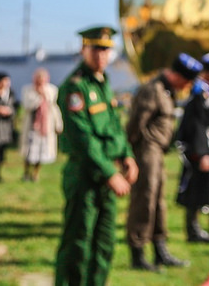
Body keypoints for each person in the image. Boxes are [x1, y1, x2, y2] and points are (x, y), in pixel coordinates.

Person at [54, 25, 137, 286]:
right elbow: (83, 139)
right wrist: (110, 172)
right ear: (83, 50)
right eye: (96, 50)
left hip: (106, 177)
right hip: (84, 176)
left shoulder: (104, 83)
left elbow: (114, 126)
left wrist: (127, 155)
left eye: (106, 50)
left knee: (104, 244)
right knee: (78, 243)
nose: (101, 56)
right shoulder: (75, 87)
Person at [125, 52, 202, 271]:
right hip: (146, 149)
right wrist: (130, 154)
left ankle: (160, 249)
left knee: (158, 200)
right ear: (178, 75)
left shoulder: (166, 91)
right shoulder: (153, 90)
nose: (186, 86)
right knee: (144, 199)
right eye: (186, 81)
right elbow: (135, 124)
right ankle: (138, 252)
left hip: (157, 151)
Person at [176, 51, 209, 243]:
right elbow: (195, 125)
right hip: (200, 148)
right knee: (194, 190)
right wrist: (202, 152)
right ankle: (192, 230)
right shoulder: (199, 92)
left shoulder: (207, 90)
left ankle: (196, 228)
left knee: (204, 188)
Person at [19, 68, 62, 182]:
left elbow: (54, 107)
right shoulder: (28, 90)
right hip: (32, 126)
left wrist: (58, 124)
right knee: (29, 152)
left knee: (41, 153)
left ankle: (36, 173)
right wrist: (39, 96)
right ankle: (26, 172)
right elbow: (28, 105)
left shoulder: (52, 90)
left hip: (46, 126)